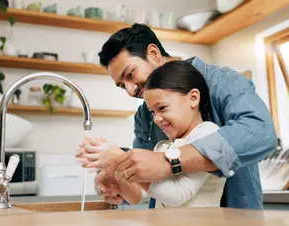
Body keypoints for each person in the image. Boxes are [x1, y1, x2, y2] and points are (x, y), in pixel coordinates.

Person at [78, 23, 277, 209]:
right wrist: (117, 181)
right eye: (122, 86)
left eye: (130, 75)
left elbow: (260, 133)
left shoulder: (223, 82)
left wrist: (168, 161)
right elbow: (144, 186)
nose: (130, 91)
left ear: (154, 53)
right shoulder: (144, 116)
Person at [77, 60, 227, 208]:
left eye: (162, 108)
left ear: (193, 98)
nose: (156, 119)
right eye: (152, 112)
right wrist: (115, 172)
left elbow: (178, 195)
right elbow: (141, 196)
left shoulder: (207, 133)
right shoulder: (162, 147)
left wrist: (118, 157)